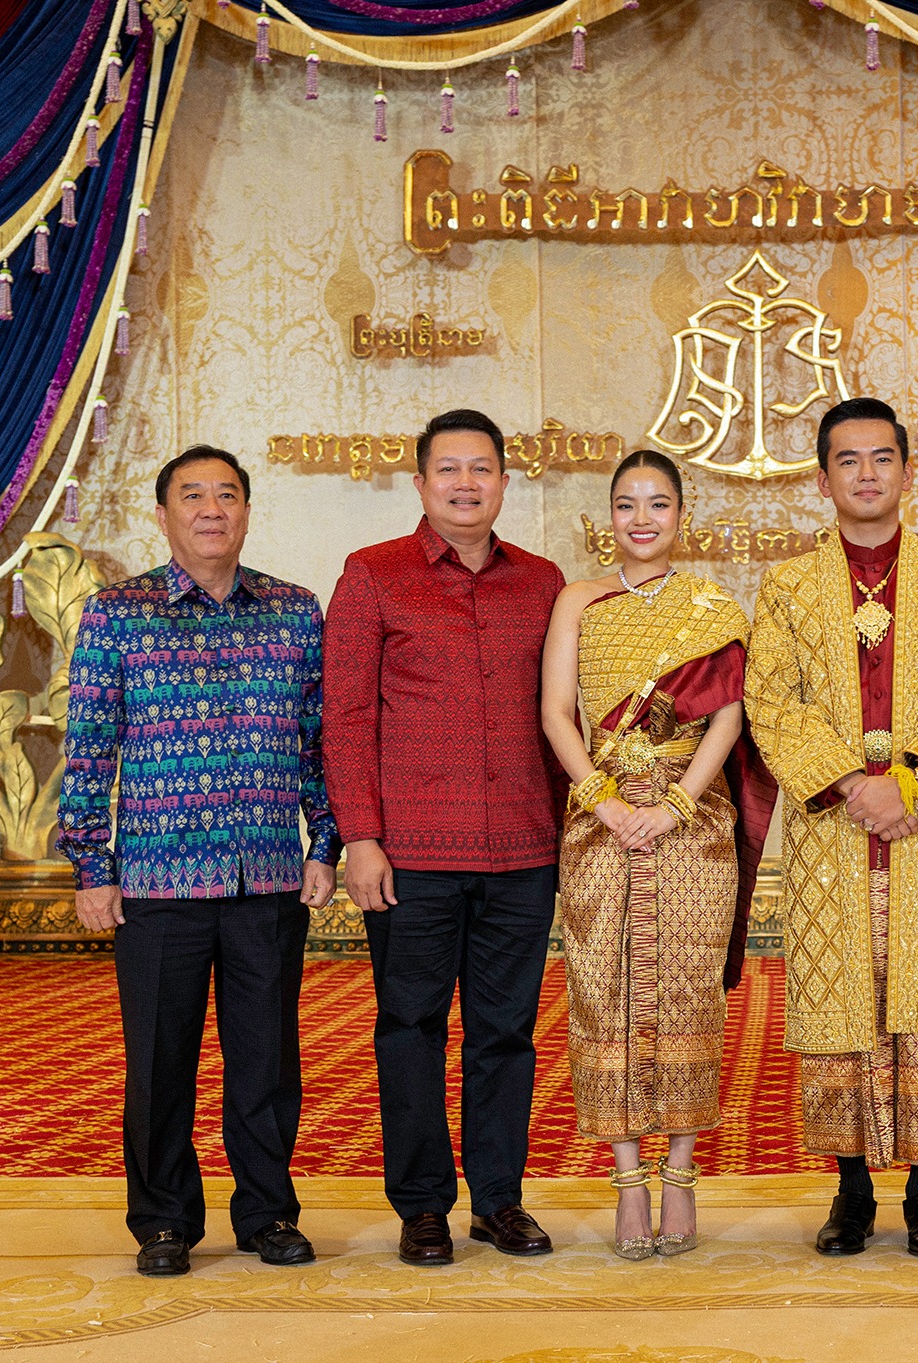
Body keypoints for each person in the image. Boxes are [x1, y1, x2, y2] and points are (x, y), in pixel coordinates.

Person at [59, 446, 339, 1278]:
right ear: (163, 515)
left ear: (247, 511)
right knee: (158, 1063)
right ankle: (163, 1221)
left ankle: (268, 1213)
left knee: (267, 1061)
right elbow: (90, 747)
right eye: (193, 496)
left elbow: (319, 743)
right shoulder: (117, 613)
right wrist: (91, 865)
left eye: (226, 495)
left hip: (267, 878)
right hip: (155, 882)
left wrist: (323, 841)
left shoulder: (294, 612)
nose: (211, 509)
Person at [744, 397, 918, 1258]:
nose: (866, 473)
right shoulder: (787, 587)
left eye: (881, 457)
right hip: (831, 832)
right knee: (840, 1006)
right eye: (848, 460)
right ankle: (852, 1189)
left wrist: (908, 780)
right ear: (823, 479)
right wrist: (851, 784)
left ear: (907, 470)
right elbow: (770, 701)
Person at [322, 409, 566, 1266]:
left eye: (482, 469)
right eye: (450, 469)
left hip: (524, 851)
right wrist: (361, 837)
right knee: (410, 1028)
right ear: (421, 482)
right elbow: (345, 716)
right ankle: (422, 1205)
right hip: (412, 857)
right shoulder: (373, 574)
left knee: (506, 1033)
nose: (467, 484)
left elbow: (562, 718)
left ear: (504, 481)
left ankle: (499, 1199)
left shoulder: (542, 582)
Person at [541, 450, 773, 1261]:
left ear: (683, 514)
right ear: (608, 515)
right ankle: (627, 1181)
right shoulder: (578, 599)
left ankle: (680, 1173)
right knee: (603, 990)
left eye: (659, 504)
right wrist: (604, 801)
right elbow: (557, 713)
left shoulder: (714, 606)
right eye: (627, 504)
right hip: (599, 820)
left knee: (687, 992)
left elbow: (729, 717)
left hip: (693, 823)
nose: (642, 519)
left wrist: (676, 804)